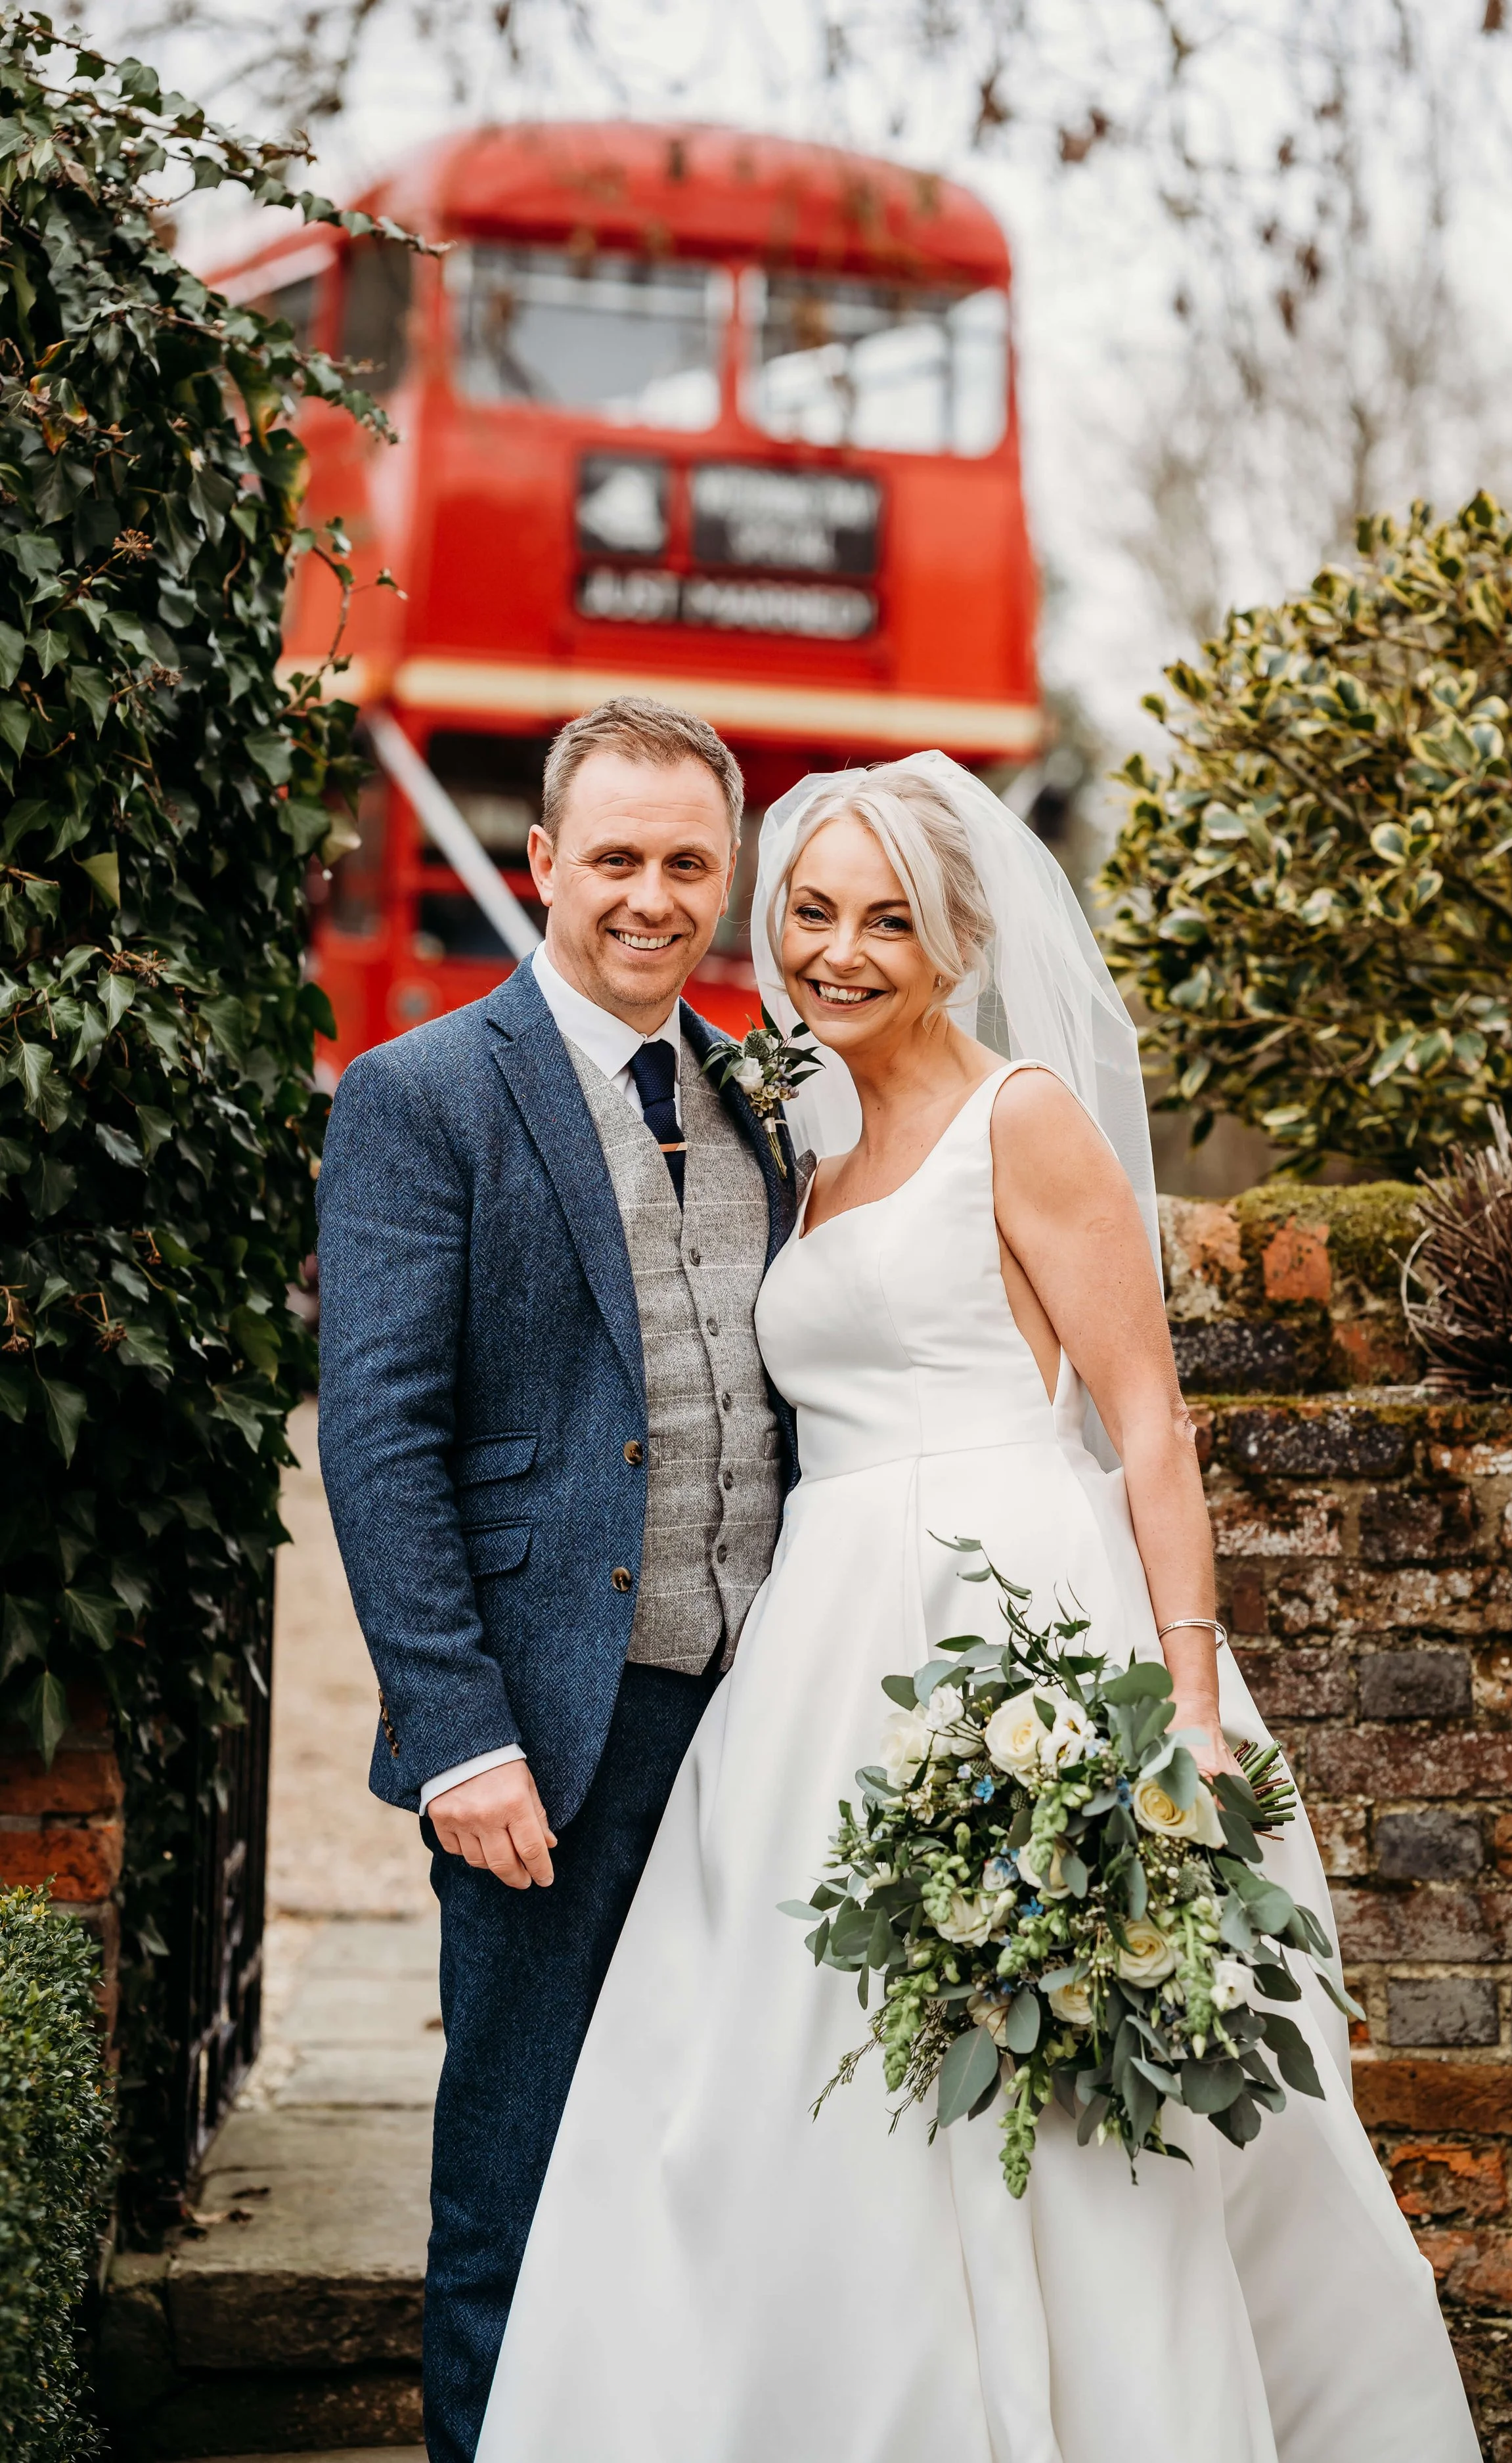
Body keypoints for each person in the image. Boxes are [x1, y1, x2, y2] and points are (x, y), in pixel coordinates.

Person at [476, 753, 1482, 2463]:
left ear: (954, 936)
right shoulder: (804, 1118)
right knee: (768, 2086)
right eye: (808, 912)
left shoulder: (1024, 1117)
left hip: (999, 1621)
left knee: (1037, 2085)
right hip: (811, 1661)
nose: (840, 949)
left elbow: (1147, 1419)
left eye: (887, 918)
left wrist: (1178, 1699)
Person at [316, 698, 801, 2463]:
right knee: (513, 2176)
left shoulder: (764, 1104)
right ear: (541, 865)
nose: (652, 896)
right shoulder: (421, 1096)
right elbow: (377, 1435)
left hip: (762, 1725)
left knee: (721, 2149)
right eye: (616, 858)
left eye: (688, 861)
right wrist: (456, 1734)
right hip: (547, 1737)